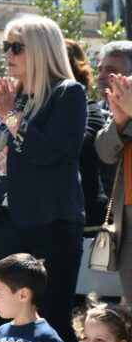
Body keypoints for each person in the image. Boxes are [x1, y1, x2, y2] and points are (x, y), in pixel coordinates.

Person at [0, 15, 87, 342]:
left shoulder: (67, 93)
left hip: (50, 223)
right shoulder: (10, 99)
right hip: (6, 223)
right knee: (14, 323)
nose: (9, 54)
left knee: (51, 320)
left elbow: (47, 151)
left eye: (18, 46)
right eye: (6, 46)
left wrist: (10, 114)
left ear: (43, 50)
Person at [66, 39, 110, 228]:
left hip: (83, 217)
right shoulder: (20, 106)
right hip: (26, 218)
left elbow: (60, 147)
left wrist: (10, 116)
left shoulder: (89, 110)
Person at [96, 71, 132, 303]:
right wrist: (120, 121)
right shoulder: (128, 89)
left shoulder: (68, 93)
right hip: (128, 217)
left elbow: (41, 148)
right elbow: (105, 152)